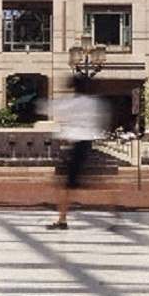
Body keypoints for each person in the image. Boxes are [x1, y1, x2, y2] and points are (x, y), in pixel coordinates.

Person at [43, 77, 108, 231]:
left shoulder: (75, 103)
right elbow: (101, 121)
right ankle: (62, 219)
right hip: (87, 145)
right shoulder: (94, 103)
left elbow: (51, 109)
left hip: (79, 146)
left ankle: (62, 220)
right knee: (77, 184)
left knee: (66, 185)